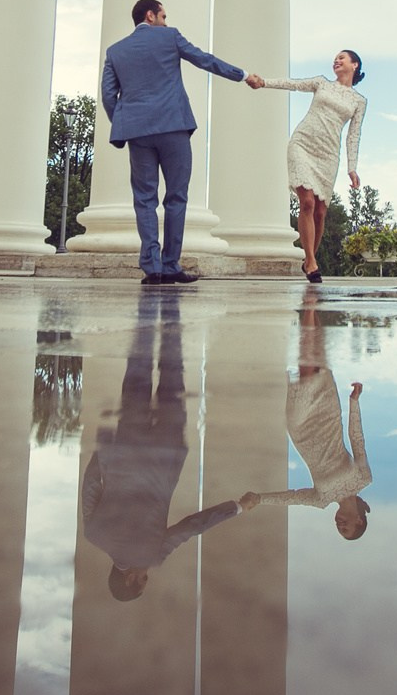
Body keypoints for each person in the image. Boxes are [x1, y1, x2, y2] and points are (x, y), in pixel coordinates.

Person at [81, 290, 242, 600]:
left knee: (172, 376)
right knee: (137, 377)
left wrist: (235, 507)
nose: (146, 577)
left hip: (164, 455)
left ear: (130, 581)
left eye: (142, 581)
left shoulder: (152, 555)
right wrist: (105, 452)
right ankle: (147, 310)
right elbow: (91, 484)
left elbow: (191, 527)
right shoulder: (94, 535)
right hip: (126, 447)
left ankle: (172, 313)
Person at [101, 0, 260, 284]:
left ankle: (153, 268)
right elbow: (205, 60)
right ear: (150, 16)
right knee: (176, 197)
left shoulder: (115, 51)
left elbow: (108, 96)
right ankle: (171, 265)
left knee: (144, 199)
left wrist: (127, 122)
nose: (166, 21)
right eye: (163, 16)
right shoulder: (170, 37)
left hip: (138, 134)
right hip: (173, 126)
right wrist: (243, 75)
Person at [243, 288, 372, 539]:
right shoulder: (364, 478)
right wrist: (354, 402)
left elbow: (292, 498)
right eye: (347, 528)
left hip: (302, 428)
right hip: (330, 416)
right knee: (320, 364)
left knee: (307, 366)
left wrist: (259, 499)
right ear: (359, 520)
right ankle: (312, 307)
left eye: (338, 529)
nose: (340, 525)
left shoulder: (321, 499)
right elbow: (357, 439)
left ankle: (310, 307)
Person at [247, 49, 366, 283]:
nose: (337, 60)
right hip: (303, 144)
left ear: (354, 65)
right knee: (308, 202)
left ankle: (309, 259)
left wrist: (352, 167)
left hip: (328, 155)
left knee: (321, 212)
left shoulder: (359, 101)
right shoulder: (321, 83)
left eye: (342, 57)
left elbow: (353, 135)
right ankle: (311, 262)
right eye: (335, 58)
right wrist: (264, 82)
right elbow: (294, 84)